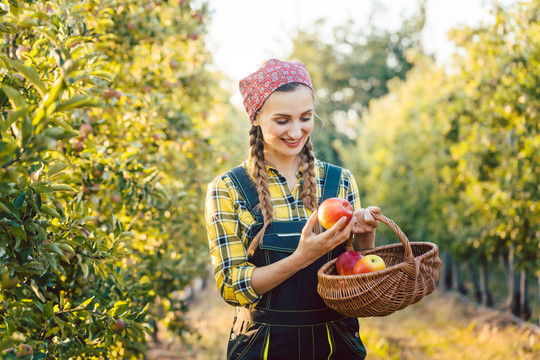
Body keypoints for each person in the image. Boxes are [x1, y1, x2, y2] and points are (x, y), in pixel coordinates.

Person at [205, 58, 380, 360]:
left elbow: (355, 272)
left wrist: (365, 235)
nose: (297, 131)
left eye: (306, 117)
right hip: (264, 346)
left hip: (335, 343)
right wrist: (300, 258)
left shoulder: (339, 181)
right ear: (256, 118)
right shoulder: (228, 188)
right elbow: (232, 286)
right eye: (282, 120)